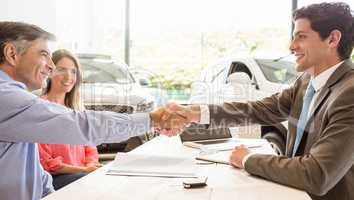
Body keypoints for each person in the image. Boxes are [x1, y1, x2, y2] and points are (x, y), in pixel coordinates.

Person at [163, 2, 354, 200]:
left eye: (301, 37)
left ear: (332, 39)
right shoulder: (306, 81)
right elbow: (258, 109)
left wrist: (247, 158)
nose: (292, 46)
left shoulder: (350, 92)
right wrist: (193, 113)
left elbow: (316, 174)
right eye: (293, 37)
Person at [0, 22, 186, 200]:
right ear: (12, 54)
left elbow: (31, 171)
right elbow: (82, 125)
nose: (51, 65)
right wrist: (153, 119)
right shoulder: (6, 97)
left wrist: (51, 193)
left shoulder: (15, 101)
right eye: (43, 54)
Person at [38, 49, 102, 190]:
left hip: (81, 174)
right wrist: (84, 170)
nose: (68, 77)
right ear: (49, 72)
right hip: (53, 179)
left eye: (73, 71)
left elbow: (89, 147)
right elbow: (46, 163)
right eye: (61, 70)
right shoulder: (40, 109)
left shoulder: (76, 109)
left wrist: (90, 165)